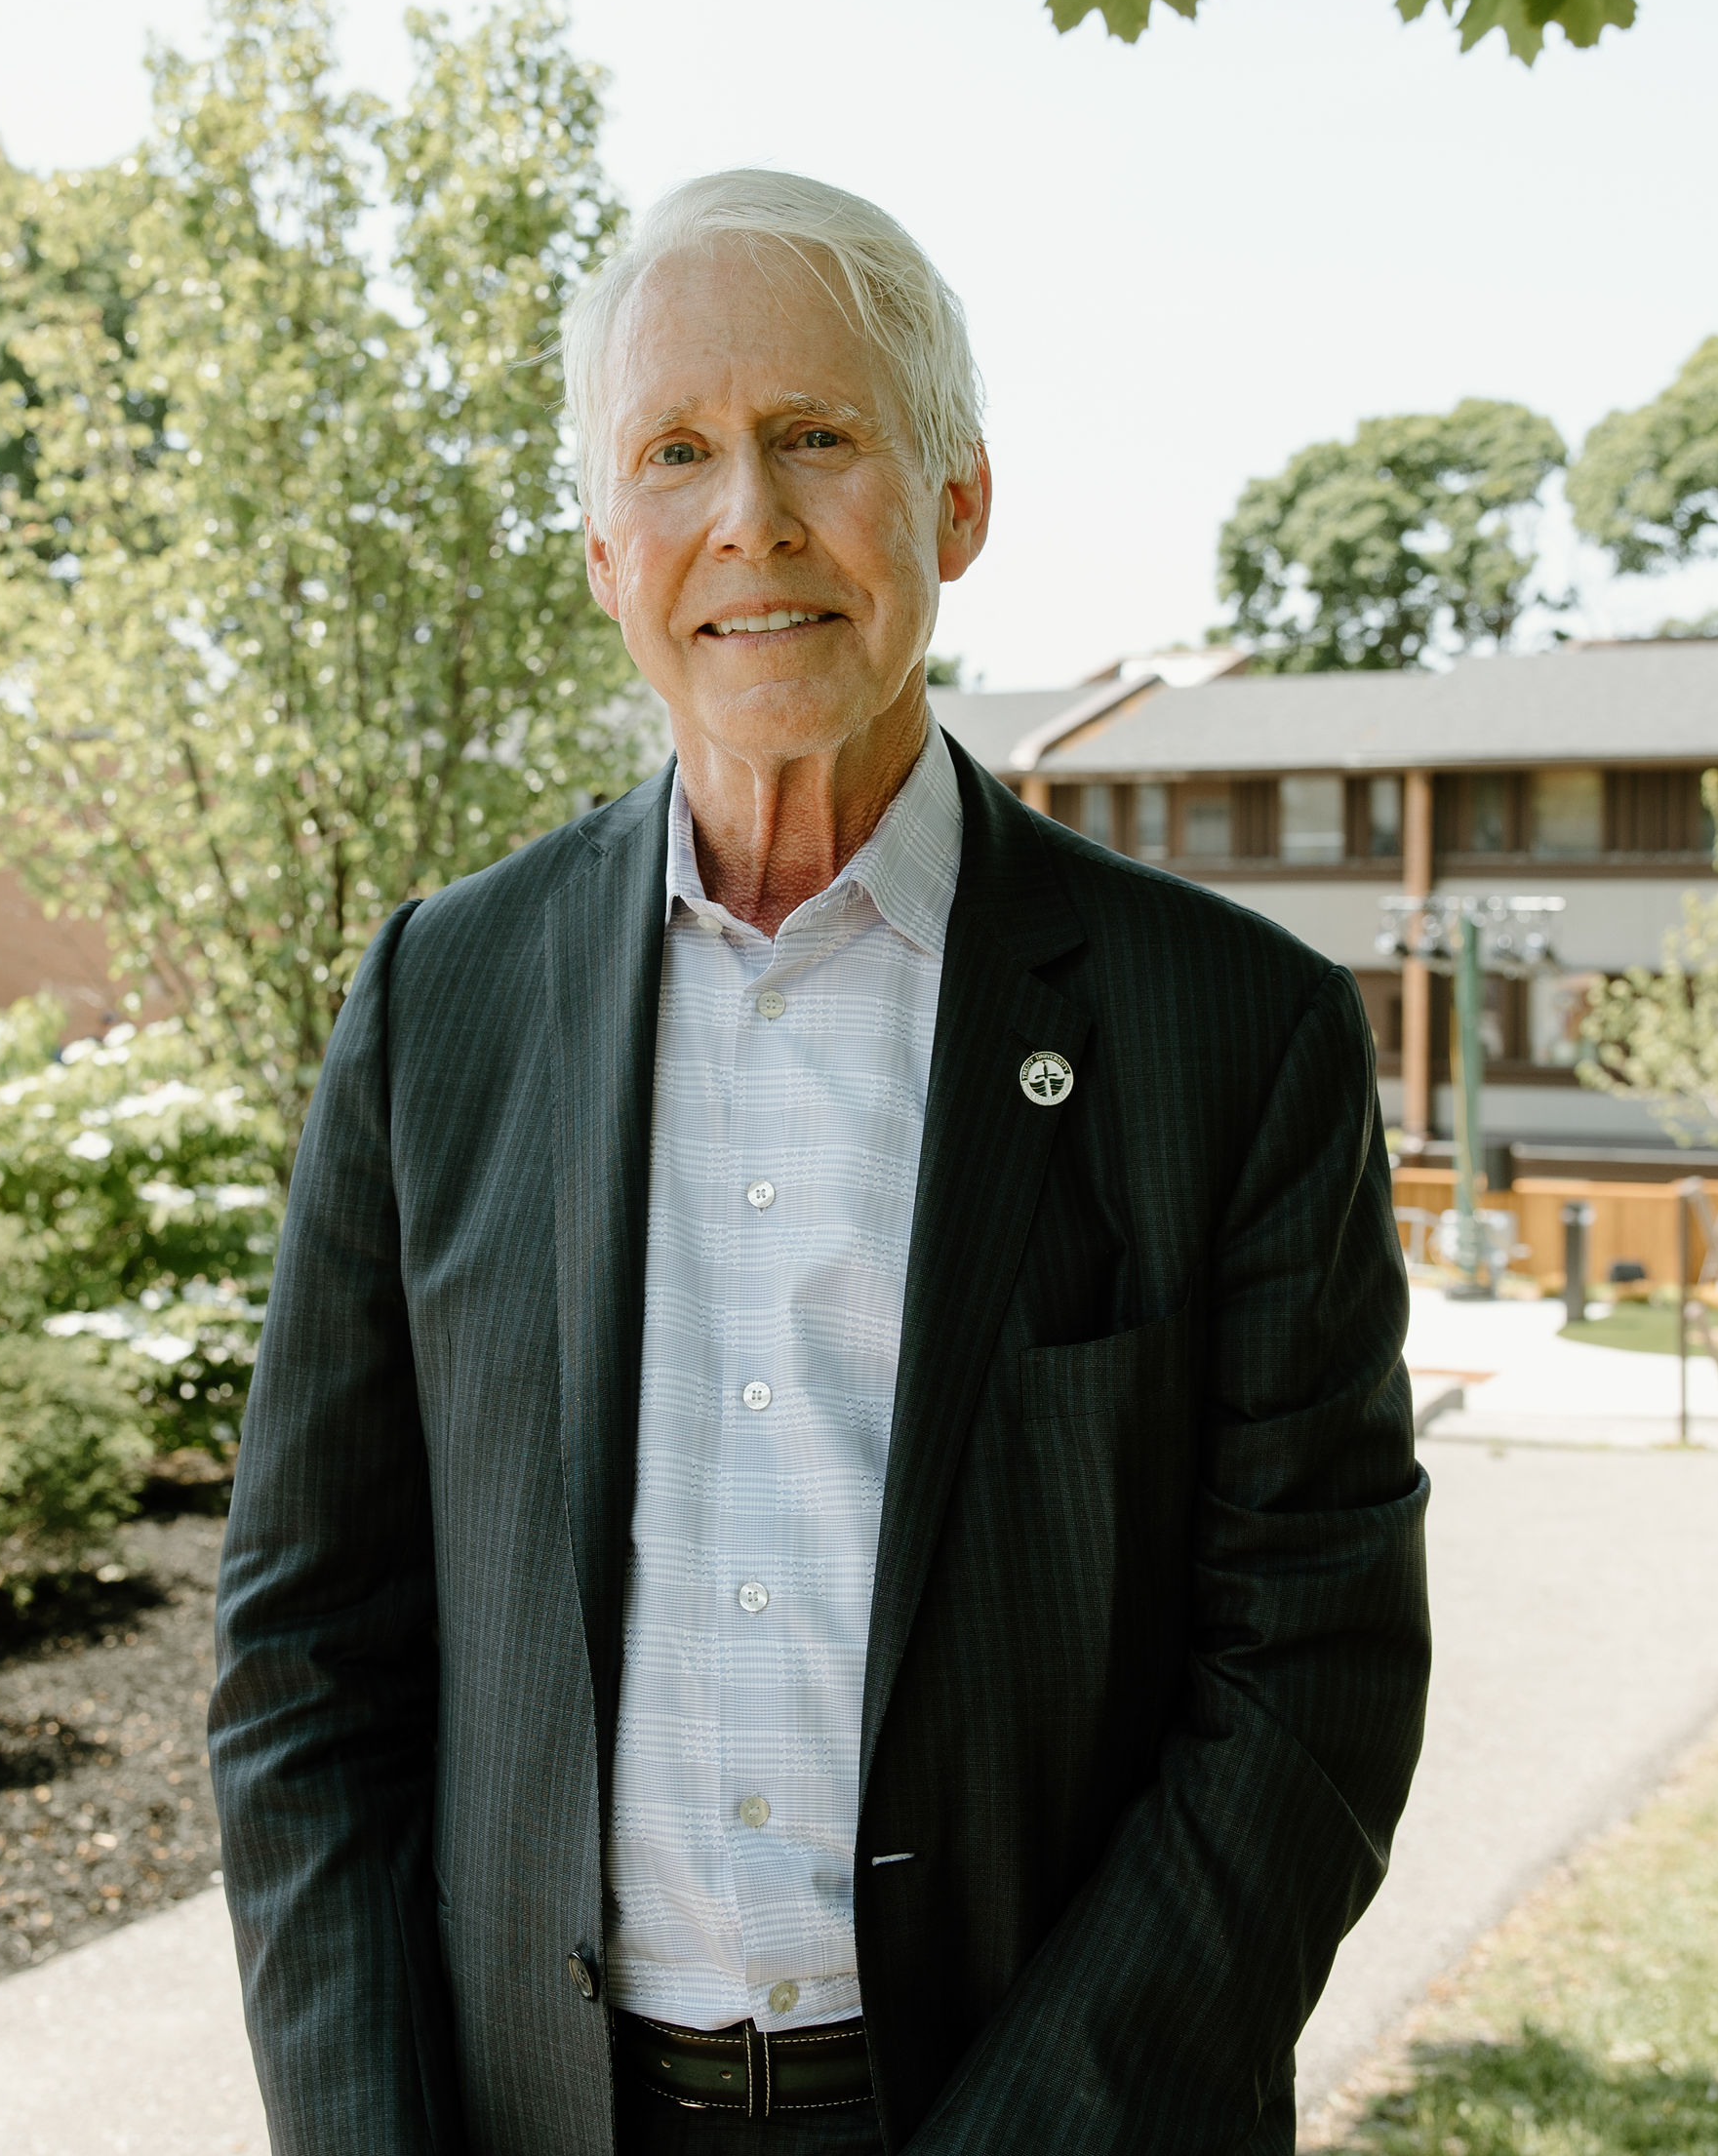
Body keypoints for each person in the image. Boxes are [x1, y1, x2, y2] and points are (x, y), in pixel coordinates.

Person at [208, 172, 1433, 2156]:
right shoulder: (444, 1002)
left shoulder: (1237, 1037)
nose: (748, 524)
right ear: (606, 544)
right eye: (676, 454)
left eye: (817, 438)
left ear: (955, 501)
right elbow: (301, 1667)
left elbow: (1308, 1678)